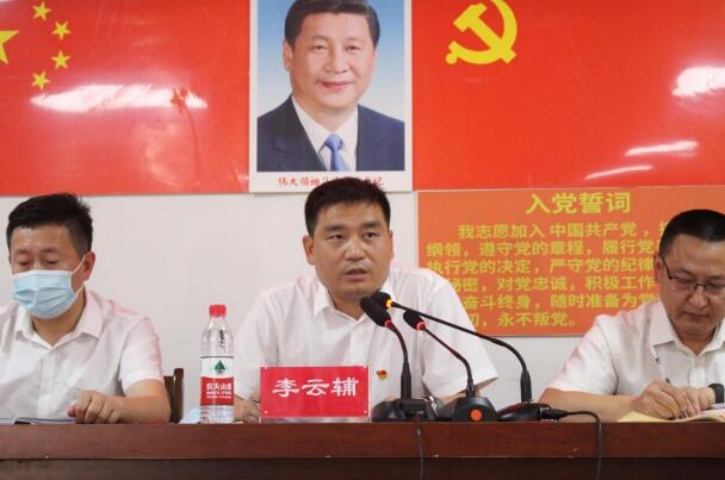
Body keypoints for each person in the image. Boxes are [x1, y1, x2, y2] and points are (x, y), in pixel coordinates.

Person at [234, 177, 497, 422]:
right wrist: (246, 409)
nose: (355, 252)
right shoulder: (277, 307)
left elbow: (462, 395)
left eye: (369, 235)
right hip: (302, 455)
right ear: (310, 248)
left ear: (390, 243)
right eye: (337, 237)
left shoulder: (427, 293)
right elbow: (229, 399)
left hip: (403, 454)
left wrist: (420, 408)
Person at [540, 209, 725, 422]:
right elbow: (550, 407)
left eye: (716, 285)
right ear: (658, 269)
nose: (698, 301)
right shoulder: (615, 335)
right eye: (684, 280)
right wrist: (633, 406)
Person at [0, 193, 170, 423]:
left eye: (51, 262)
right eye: (23, 263)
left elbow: (156, 408)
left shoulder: (127, 329)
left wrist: (115, 406)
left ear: (86, 265)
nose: (36, 272)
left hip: (92, 447)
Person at [257, 0, 404, 172]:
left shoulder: (402, 139)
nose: (337, 66)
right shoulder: (253, 142)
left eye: (352, 47)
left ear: (373, 57)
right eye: (320, 47)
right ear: (288, 54)